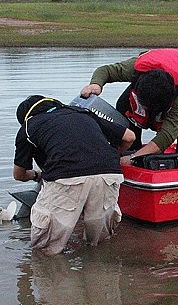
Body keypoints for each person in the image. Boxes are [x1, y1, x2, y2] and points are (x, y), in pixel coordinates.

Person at [13, 95, 136, 255]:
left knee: (46, 250)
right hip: (108, 173)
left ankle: (50, 274)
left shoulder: (28, 127)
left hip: (65, 177)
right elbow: (129, 137)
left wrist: (37, 175)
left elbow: (19, 174)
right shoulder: (82, 112)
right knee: (100, 245)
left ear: (26, 117)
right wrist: (112, 157)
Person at [80, 48, 178, 163]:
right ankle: (128, 151)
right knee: (123, 106)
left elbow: (166, 136)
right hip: (145, 88)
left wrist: (133, 158)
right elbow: (105, 71)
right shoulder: (136, 69)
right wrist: (96, 85)